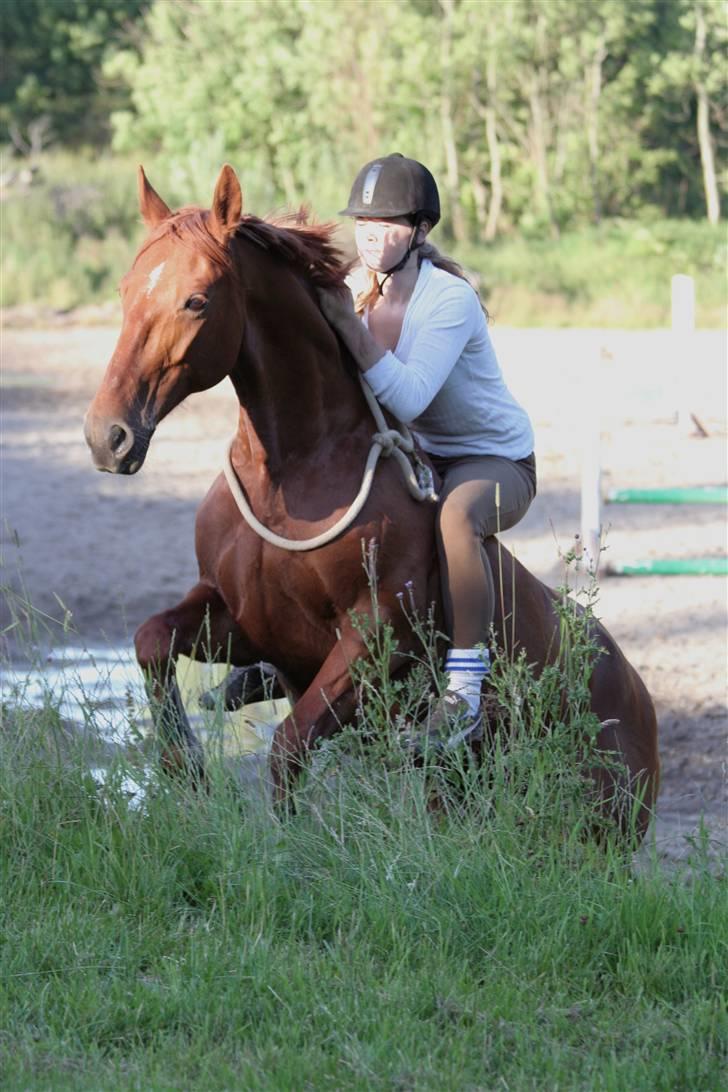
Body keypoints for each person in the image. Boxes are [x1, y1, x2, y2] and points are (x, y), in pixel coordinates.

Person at [317, 153, 536, 749]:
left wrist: (349, 327)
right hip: (423, 457)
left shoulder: (450, 300)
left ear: (419, 232)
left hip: (494, 461)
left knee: (455, 518)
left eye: (387, 225)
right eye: (362, 223)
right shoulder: (358, 289)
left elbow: (409, 399)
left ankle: (464, 689)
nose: (370, 235)